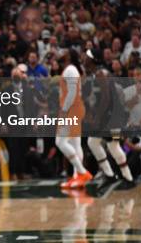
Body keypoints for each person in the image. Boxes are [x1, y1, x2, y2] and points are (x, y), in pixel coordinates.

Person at [55, 49, 92, 189]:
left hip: (71, 109)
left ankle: (82, 173)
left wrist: (64, 110)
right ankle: (78, 178)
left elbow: (72, 92)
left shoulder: (70, 69)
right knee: (75, 144)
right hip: (74, 108)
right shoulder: (71, 69)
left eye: (63, 52)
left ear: (68, 56)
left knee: (60, 141)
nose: (60, 53)